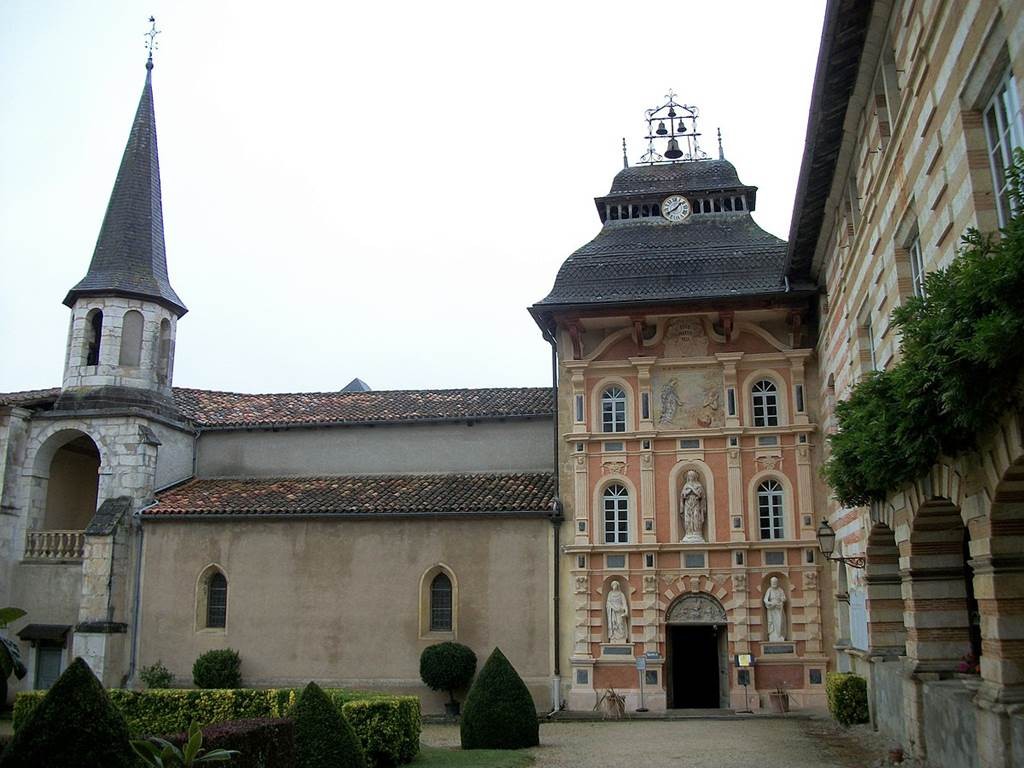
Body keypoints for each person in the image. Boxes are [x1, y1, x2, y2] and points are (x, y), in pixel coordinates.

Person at [680, 470, 706, 542]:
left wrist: (691, 488)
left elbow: (700, 495)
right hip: (688, 505)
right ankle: (689, 533)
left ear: (695, 476)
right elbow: (683, 496)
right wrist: (684, 495)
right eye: (689, 476)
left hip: (696, 504)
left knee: (696, 517)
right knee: (688, 518)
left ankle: (697, 533)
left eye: (692, 475)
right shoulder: (685, 486)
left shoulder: (698, 485)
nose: (690, 477)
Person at [764, 576, 787, 641]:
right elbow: (765, 600)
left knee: (780, 622)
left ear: (777, 582)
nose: (774, 583)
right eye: (773, 582)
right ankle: (773, 635)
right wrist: (771, 603)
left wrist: (782, 600)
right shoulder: (769, 590)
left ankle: (779, 636)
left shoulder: (780, 590)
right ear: (771, 582)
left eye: (775, 582)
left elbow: (784, 598)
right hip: (771, 609)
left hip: (779, 608)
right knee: (772, 622)